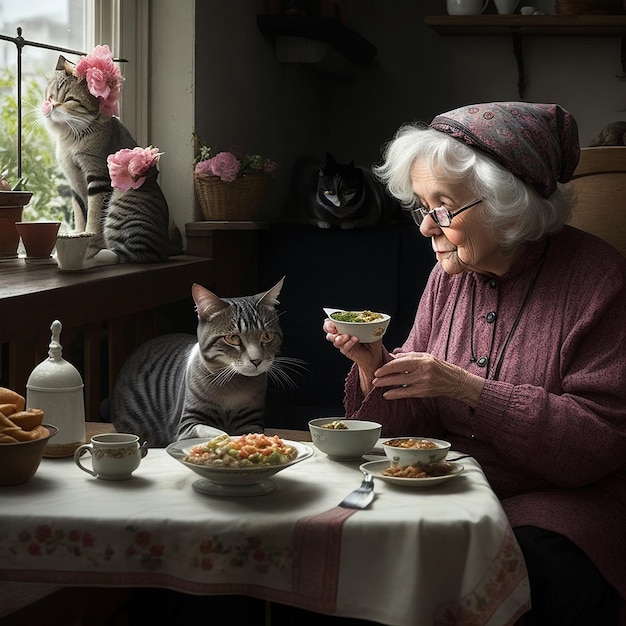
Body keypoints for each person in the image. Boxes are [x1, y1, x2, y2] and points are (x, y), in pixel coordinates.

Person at [323, 102, 626, 626]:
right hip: (448, 491)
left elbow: (597, 442)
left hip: (557, 505)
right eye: (422, 207)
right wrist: (377, 364)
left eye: (443, 208)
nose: (425, 228)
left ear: (509, 206)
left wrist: (470, 391)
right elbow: (412, 426)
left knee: (521, 572)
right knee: (344, 545)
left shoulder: (600, 279)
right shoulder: (448, 278)